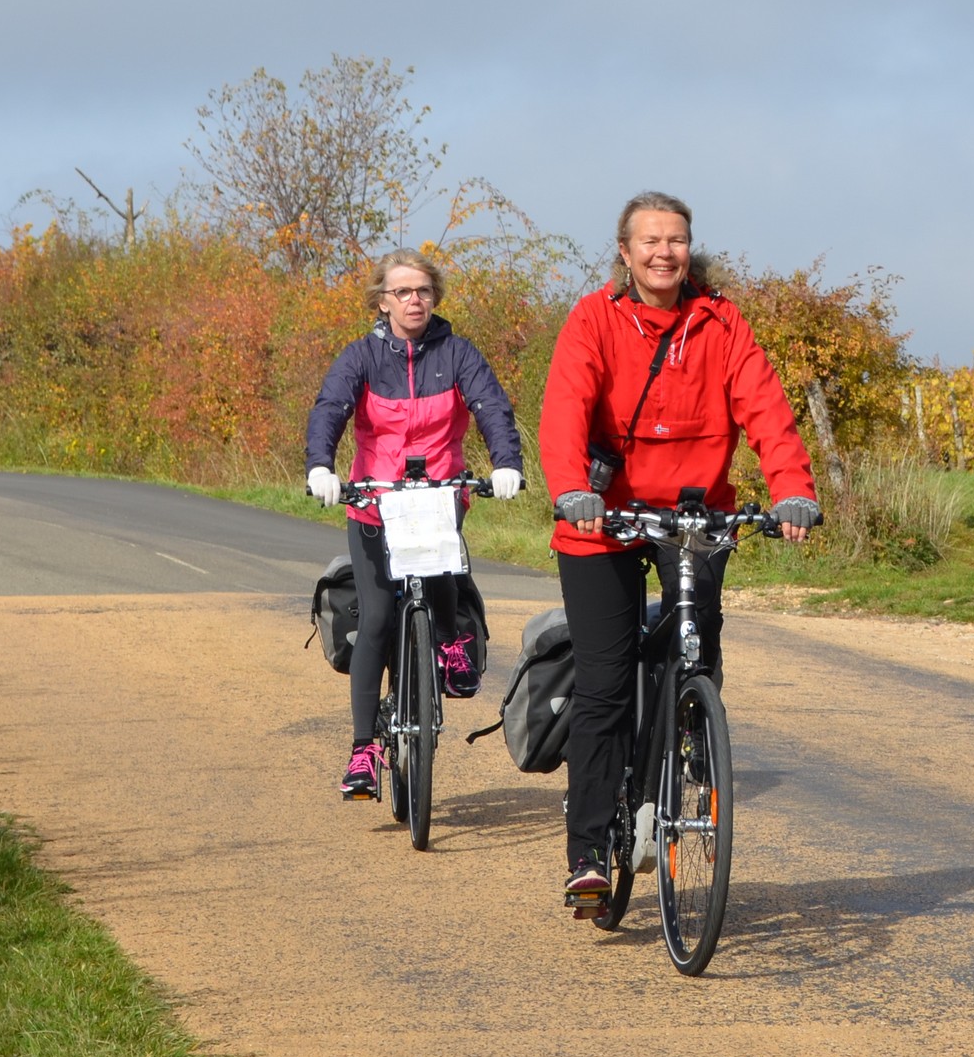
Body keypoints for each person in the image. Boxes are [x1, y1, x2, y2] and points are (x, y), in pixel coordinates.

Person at [539, 191, 822, 912]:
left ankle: (677, 752)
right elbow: (566, 407)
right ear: (625, 252)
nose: (665, 252)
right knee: (604, 684)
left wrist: (791, 487)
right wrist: (572, 488)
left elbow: (766, 408)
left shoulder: (720, 322)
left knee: (694, 652)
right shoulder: (595, 318)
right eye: (651, 241)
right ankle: (590, 848)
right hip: (602, 518)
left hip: (694, 515)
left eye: (677, 240)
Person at [307, 248, 526, 801]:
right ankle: (363, 750)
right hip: (374, 503)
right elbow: (331, 407)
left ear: (435, 298)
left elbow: (491, 407)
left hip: (437, 495)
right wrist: (320, 466)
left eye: (423, 290)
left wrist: (506, 465)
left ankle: (451, 640)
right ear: (382, 300)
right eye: (402, 291)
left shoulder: (457, 353)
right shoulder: (361, 357)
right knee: (379, 615)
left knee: (440, 576)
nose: (413, 299)